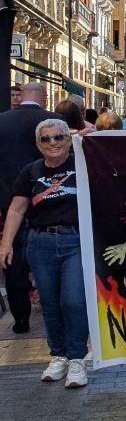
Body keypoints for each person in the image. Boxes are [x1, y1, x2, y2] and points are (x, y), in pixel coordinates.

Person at [0, 118, 89, 387]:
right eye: (45, 139)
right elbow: (16, 209)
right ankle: (58, 355)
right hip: (40, 244)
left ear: (68, 139)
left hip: (75, 240)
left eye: (58, 137)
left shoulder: (83, 164)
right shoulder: (30, 172)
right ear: (38, 144)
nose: (52, 143)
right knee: (48, 302)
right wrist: (5, 244)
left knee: (73, 301)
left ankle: (77, 359)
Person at [0, 82, 56, 334]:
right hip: (48, 201)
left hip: (9, 200)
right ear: (43, 97)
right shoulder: (54, 120)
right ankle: (51, 306)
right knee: (51, 257)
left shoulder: (2, 121)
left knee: (14, 258)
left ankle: (20, 316)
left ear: (21, 96)